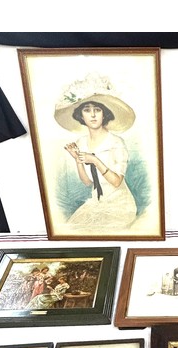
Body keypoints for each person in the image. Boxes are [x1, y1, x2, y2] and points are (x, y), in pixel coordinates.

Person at [54, 74, 137, 233]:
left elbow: (116, 182)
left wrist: (95, 160)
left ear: (104, 114)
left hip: (119, 205)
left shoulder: (116, 142)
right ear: (81, 115)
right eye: (87, 110)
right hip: (96, 203)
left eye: (97, 110)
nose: (92, 115)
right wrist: (78, 160)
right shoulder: (81, 142)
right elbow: (87, 182)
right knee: (72, 230)